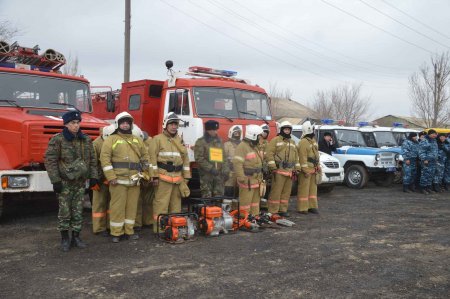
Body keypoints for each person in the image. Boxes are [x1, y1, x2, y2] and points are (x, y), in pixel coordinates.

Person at [45, 110, 98, 252]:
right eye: (72, 123)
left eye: (78, 122)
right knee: (64, 211)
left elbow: (92, 159)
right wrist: (55, 181)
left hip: (80, 182)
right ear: (66, 124)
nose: (76, 125)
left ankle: (76, 237)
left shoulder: (85, 139)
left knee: (78, 211)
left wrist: (93, 176)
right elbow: (50, 161)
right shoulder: (58, 139)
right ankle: (64, 238)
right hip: (64, 182)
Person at [100, 112, 150, 243]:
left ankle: (129, 231)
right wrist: (111, 177)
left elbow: (145, 157)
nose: (125, 124)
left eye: (128, 122)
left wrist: (144, 172)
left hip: (134, 180)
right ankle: (116, 233)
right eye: (123, 122)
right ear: (117, 124)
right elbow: (105, 159)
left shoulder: (137, 140)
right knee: (117, 208)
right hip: (118, 181)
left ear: (131, 124)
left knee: (132, 207)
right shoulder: (111, 139)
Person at [150, 112, 191, 233]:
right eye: (171, 124)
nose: (174, 126)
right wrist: (154, 176)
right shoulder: (157, 139)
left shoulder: (180, 141)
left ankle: (174, 229)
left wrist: (186, 177)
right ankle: (160, 230)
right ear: (165, 125)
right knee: (161, 205)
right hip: (163, 178)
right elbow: (151, 159)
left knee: (176, 206)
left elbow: (185, 160)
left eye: (176, 124)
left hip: (178, 179)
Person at [266, 121, 300, 217]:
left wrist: (297, 168)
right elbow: (269, 154)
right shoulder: (275, 140)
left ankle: (283, 209)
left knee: (286, 193)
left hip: (289, 172)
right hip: (279, 171)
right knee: (276, 192)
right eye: (285, 129)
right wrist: (272, 166)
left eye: (289, 129)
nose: (287, 131)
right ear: (281, 130)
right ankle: (273, 210)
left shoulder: (292, 142)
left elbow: (296, 157)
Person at [233, 125, 264, 216]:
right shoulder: (242, 147)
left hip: (255, 180)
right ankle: (244, 219)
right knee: (245, 203)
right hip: (247, 180)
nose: (260, 138)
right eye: (259, 136)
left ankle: (254, 217)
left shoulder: (254, 146)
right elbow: (237, 163)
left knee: (255, 203)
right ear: (254, 136)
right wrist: (241, 177)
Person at [194, 120, 229, 198]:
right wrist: (211, 169)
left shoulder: (219, 141)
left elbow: (224, 157)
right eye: (213, 130)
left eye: (216, 130)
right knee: (207, 198)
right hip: (207, 176)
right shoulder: (201, 142)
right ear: (208, 130)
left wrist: (226, 170)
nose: (216, 132)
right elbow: (199, 158)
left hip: (219, 175)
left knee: (219, 197)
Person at [91, 124, 115, 236]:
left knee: (111, 204)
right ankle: (99, 228)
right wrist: (94, 179)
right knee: (99, 204)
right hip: (100, 180)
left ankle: (110, 226)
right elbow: (93, 163)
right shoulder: (96, 144)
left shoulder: (114, 141)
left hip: (112, 179)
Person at [296, 121, 320, 214]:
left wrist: (318, 166)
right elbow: (302, 157)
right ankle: (303, 208)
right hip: (307, 170)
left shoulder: (313, 141)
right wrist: (305, 170)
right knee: (304, 189)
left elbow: (316, 155)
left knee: (313, 189)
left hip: (314, 169)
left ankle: (312, 206)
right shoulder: (303, 142)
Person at [135, 131, 156, 229]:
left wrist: (149, 174)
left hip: (147, 175)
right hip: (143, 175)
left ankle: (142, 223)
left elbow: (151, 160)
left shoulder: (150, 143)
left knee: (143, 200)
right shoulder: (151, 142)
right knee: (140, 200)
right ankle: (143, 222)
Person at [223, 125, 242, 197]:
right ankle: (227, 206)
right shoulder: (227, 145)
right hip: (230, 173)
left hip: (240, 172)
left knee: (239, 192)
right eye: (235, 133)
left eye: (238, 133)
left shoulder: (242, 145)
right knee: (228, 191)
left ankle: (236, 207)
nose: (237, 135)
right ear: (231, 133)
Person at [418, 129, 438, 194]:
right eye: (433, 134)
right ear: (429, 134)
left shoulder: (434, 141)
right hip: (426, 161)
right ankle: (422, 188)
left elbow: (435, 151)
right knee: (425, 174)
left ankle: (428, 188)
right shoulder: (424, 141)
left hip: (433, 161)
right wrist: (424, 159)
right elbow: (421, 151)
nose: (434, 135)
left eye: (435, 134)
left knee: (431, 175)